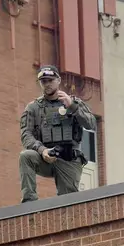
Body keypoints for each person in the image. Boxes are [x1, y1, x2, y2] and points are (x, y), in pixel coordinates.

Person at [18, 65, 97, 203]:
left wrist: (72, 106)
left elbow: (91, 124)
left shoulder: (74, 102)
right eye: (43, 81)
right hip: (46, 157)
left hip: (68, 159)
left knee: (68, 204)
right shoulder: (33, 108)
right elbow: (26, 135)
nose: (47, 84)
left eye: (50, 80)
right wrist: (42, 151)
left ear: (58, 80)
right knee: (26, 156)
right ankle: (29, 203)